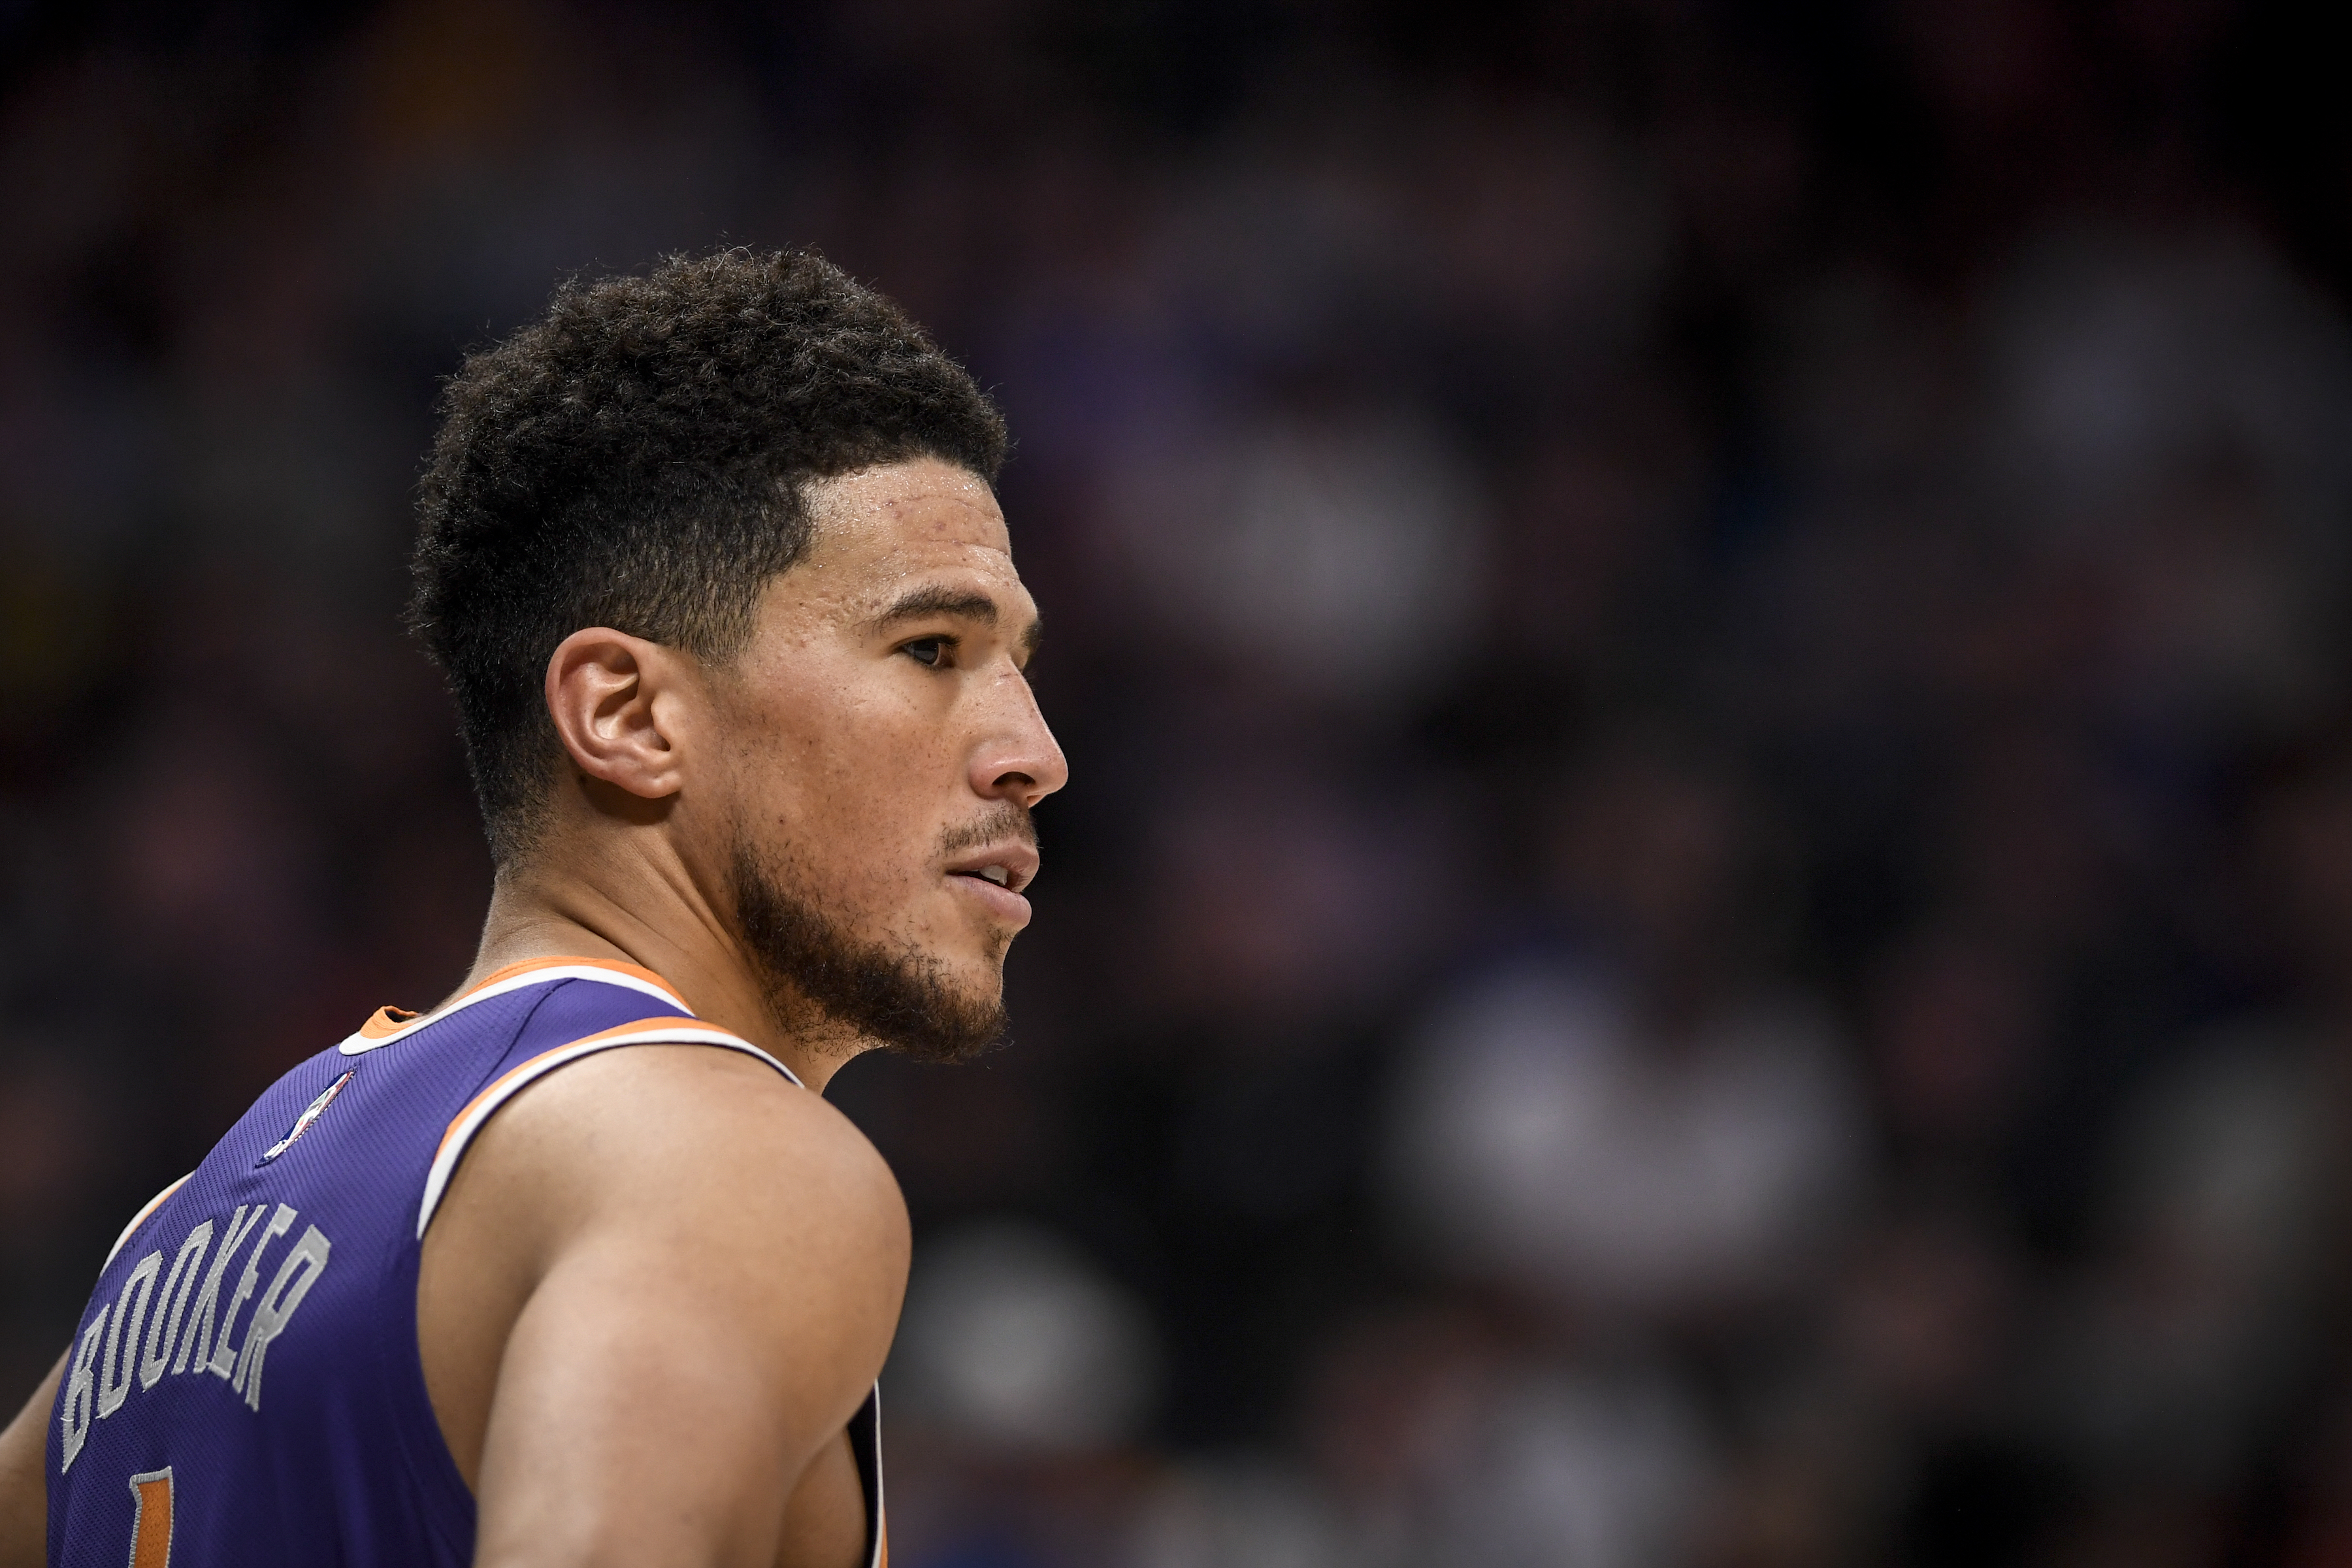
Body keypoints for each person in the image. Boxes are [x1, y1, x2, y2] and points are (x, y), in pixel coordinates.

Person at [0, 248, 1066, 1568]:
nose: (1034, 748)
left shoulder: (165, 1243)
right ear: (626, 715)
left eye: (1017, 664)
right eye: (931, 651)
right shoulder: (717, 1160)